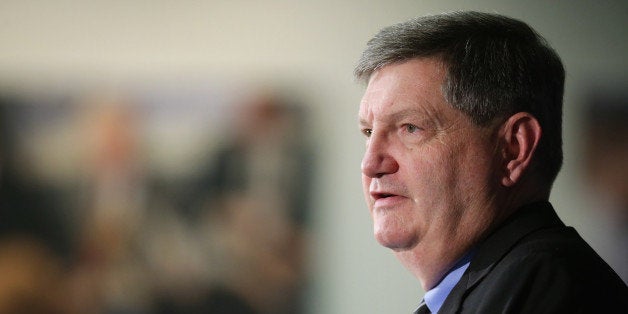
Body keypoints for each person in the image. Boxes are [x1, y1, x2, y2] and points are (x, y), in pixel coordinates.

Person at [354, 11, 628, 313]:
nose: (370, 164)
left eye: (410, 128)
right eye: (369, 131)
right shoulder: (504, 283)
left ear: (513, 149)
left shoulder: (549, 291)